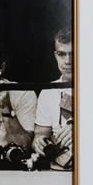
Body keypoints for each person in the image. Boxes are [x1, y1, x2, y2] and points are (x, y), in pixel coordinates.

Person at [34, 27, 73, 170]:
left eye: (74, 53)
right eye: (62, 54)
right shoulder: (48, 91)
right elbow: (40, 134)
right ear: (55, 55)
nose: (68, 61)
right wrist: (39, 142)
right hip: (56, 172)